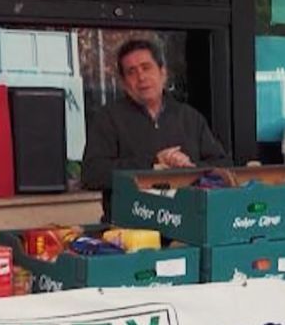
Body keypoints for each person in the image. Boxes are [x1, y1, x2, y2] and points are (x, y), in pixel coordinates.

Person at [82, 39, 230, 219]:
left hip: (188, 224)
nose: (141, 77)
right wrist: (153, 163)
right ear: (123, 82)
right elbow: (92, 174)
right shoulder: (109, 118)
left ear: (163, 73)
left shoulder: (189, 117)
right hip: (131, 229)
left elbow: (223, 166)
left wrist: (187, 168)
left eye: (146, 67)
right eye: (132, 72)